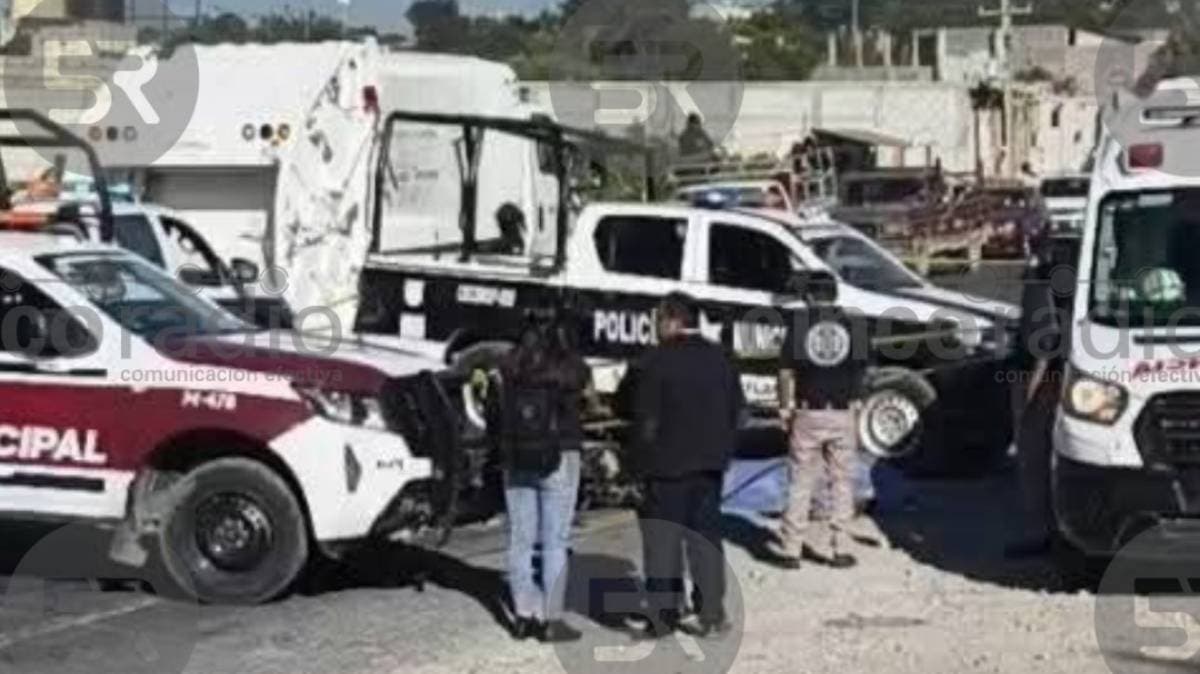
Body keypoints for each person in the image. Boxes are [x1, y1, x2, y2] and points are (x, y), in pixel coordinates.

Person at [632, 292, 743, 639]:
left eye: (657, 321)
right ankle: (712, 612)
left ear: (672, 321)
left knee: (663, 542)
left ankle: (664, 615)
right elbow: (738, 410)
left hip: (667, 464)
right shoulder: (721, 358)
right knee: (706, 538)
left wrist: (636, 462)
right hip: (710, 464)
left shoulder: (655, 361)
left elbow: (645, 419)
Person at [494, 312, 590, 642]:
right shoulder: (566, 367)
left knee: (520, 538)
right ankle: (552, 619)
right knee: (555, 541)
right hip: (558, 455)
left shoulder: (508, 365)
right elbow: (582, 379)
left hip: (516, 458)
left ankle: (523, 614)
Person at [767, 276, 870, 570]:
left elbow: (786, 373)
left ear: (810, 297)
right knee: (841, 482)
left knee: (800, 481)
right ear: (835, 295)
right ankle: (839, 548)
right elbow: (861, 373)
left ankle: (791, 549)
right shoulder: (855, 325)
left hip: (807, 411)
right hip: (841, 411)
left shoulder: (798, 324)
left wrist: (784, 408)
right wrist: (858, 406)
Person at [1005, 235, 1073, 558]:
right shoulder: (1064, 292)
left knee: (1033, 462)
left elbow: (1040, 350)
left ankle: (1043, 534)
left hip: (1037, 384)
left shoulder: (1038, 290)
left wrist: (1028, 404)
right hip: (1055, 379)